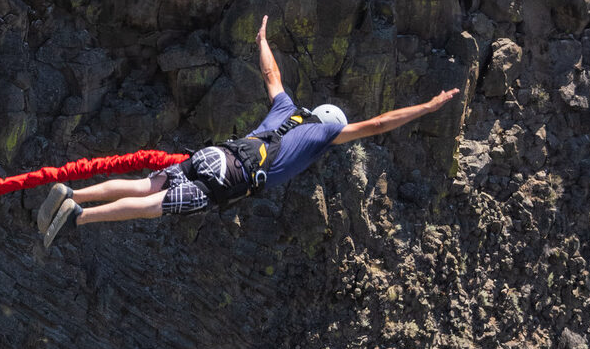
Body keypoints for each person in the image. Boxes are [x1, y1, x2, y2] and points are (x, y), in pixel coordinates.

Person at [36, 16, 460, 247]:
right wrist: (428, 106)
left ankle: (74, 193)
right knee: (153, 207)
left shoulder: (288, 108)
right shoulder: (325, 135)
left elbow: (271, 72)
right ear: (334, 125)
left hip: (213, 154)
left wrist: (261, 38)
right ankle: (80, 217)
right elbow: (379, 123)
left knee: (144, 184)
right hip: (230, 180)